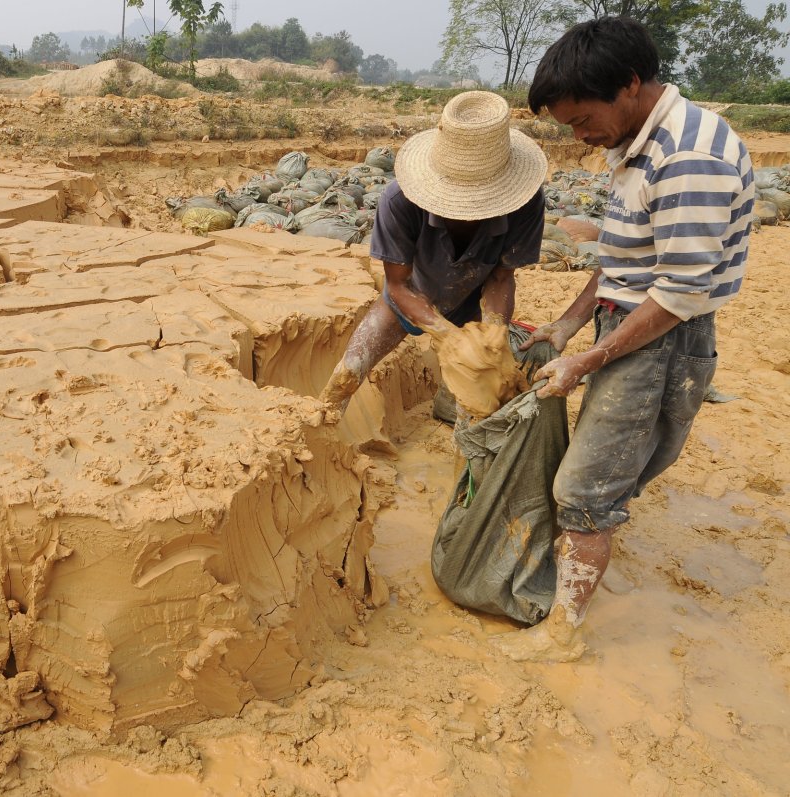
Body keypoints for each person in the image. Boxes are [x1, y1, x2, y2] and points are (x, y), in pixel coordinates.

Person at [493, 16, 755, 662]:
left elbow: (678, 294)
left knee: (584, 487)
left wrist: (586, 359)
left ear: (630, 85)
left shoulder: (687, 155)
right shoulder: (636, 141)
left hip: (662, 341)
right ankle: (586, 545)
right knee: (598, 472)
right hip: (630, 326)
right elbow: (622, 261)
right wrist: (567, 324)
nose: (580, 138)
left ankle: (565, 633)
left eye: (582, 121)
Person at [319, 91, 546, 414]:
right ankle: (321, 433)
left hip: (475, 301)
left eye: (481, 201)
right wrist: (446, 336)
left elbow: (501, 276)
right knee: (347, 374)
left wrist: (494, 331)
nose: (469, 212)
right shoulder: (399, 202)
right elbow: (397, 285)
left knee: (483, 398)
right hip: (411, 293)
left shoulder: (526, 203)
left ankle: (453, 415)